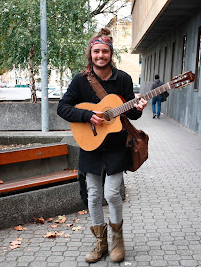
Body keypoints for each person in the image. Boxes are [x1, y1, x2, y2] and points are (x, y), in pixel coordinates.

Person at [57, 28, 147, 263]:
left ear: (111, 54)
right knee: (93, 195)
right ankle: (100, 241)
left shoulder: (124, 79)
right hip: (91, 146)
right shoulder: (80, 80)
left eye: (104, 51)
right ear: (91, 53)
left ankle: (118, 240)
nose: (100, 55)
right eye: (96, 51)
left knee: (112, 193)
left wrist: (138, 108)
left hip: (117, 146)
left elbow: (131, 118)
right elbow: (62, 107)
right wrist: (87, 117)